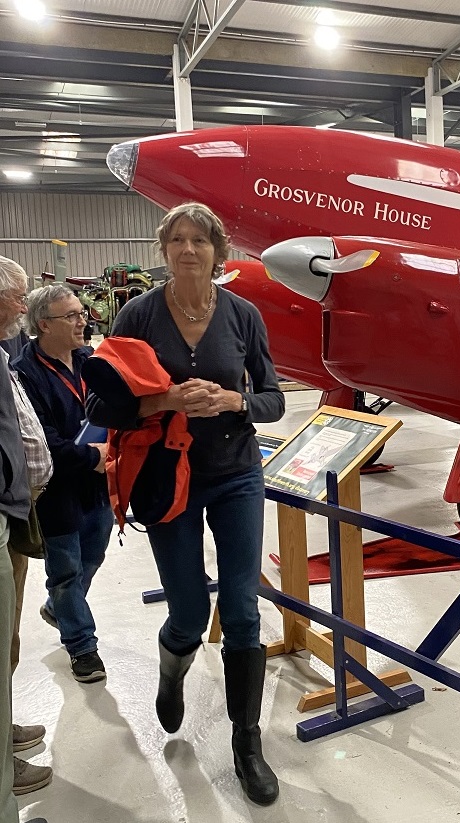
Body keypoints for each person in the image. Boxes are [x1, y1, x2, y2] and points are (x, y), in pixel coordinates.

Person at [86, 203, 285, 806]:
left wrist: (232, 402)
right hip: (166, 479)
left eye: (201, 240)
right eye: (178, 239)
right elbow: (101, 410)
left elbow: (273, 400)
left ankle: (247, 745)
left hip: (236, 475)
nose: (189, 249)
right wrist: (166, 399)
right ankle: (171, 671)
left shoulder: (244, 316)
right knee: (191, 613)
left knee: (244, 607)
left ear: (218, 251)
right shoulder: (138, 315)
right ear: (164, 249)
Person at [12, 285, 113, 684]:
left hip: (98, 484)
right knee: (67, 569)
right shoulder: (24, 373)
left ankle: (58, 608)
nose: (82, 320)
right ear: (43, 325)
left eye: (80, 312)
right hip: (57, 489)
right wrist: (93, 458)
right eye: (70, 316)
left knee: (94, 555)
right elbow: (42, 439)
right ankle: (82, 647)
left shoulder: (92, 360)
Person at [0, 258, 54, 797]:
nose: (22, 306)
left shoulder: (3, 354)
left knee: (8, 638)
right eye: (17, 299)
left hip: (16, 513)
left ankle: (4, 728)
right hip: (5, 512)